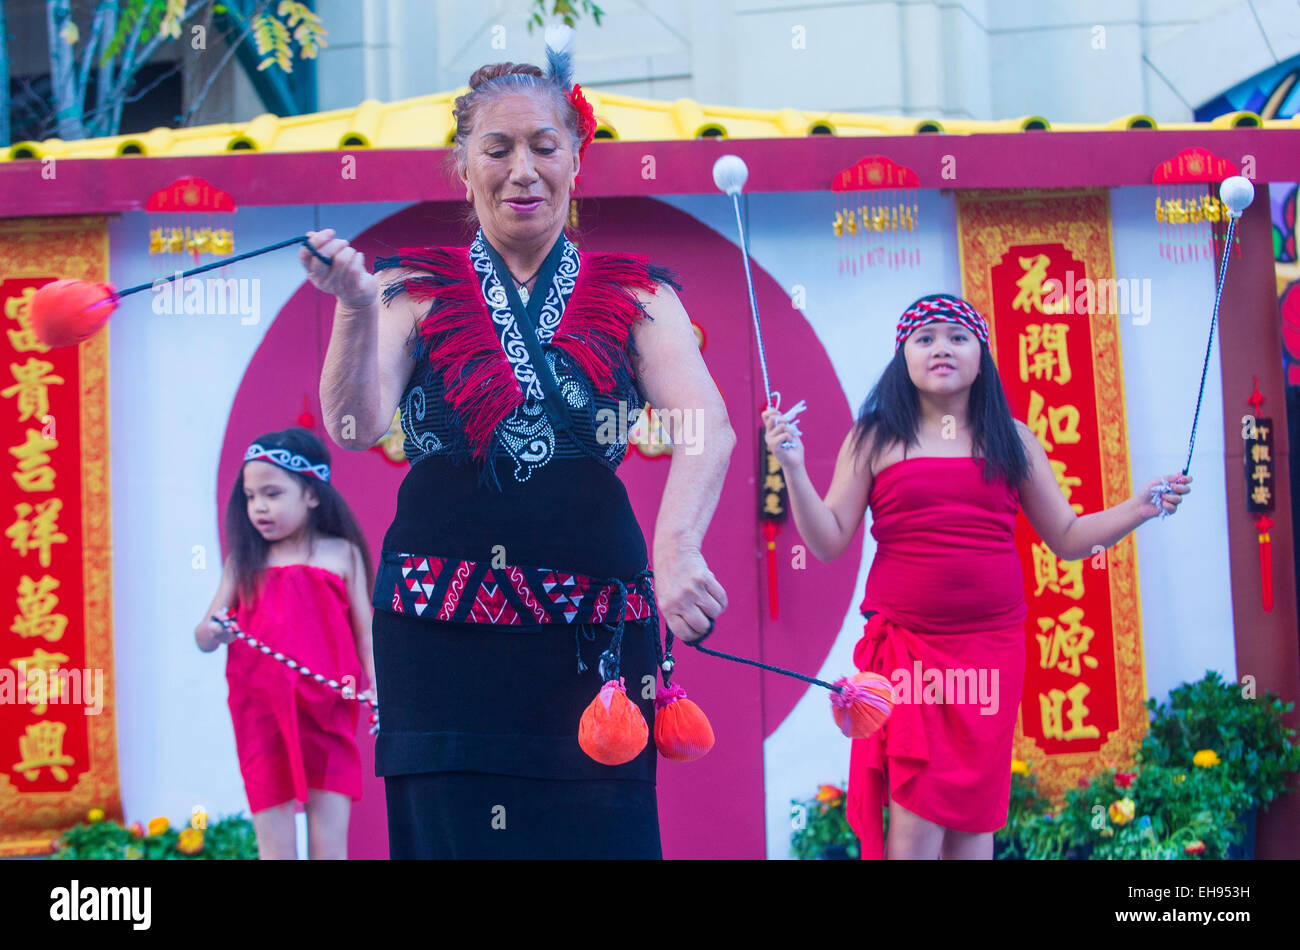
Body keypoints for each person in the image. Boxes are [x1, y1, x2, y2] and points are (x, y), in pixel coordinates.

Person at [305, 29, 734, 859]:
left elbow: (703, 423)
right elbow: (355, 426)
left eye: (545, 145)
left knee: (595, 829)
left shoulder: (638, 294)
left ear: (578, 157)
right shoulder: (404, 288)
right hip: (436, 624)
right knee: (453, 831)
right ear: (463, 165)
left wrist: (676, 546)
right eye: (496, 148)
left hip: (593, 622)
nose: (523, 169)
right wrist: (355, 309)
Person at [763, 293, 1190, 860]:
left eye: (958, 338)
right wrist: (792, 468)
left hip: (991, 651)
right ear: (903, 356)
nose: (942, 348)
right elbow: (828, 540)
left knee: (973, 820)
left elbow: (1067, 537)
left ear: (981, 356)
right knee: (916, 814)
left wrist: (1141, 506)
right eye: (925, 338)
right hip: (907, 648)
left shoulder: (1012, 439)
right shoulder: (873, 437)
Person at [196, 427, 377, 860]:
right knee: (273, 841)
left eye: (273, 494)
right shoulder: (244, 562)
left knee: (329, 841)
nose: (259, 507)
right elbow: (204, 634)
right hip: (260, 712)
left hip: (328, 710)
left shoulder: (342, 554)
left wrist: (378, 687)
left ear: (312, 495)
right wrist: (215, 630)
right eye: (251, 496)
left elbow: (365, 633)